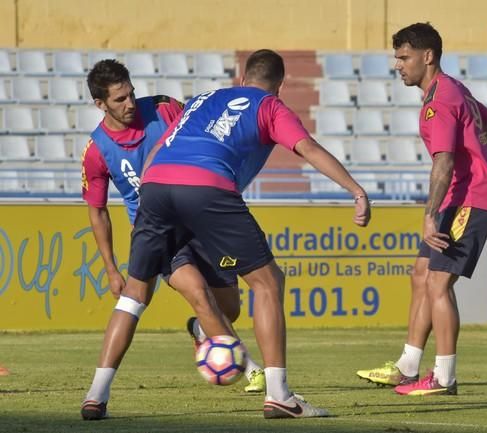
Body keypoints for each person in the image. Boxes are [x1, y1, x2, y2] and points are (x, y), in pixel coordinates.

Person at [80, 49, 371, 420]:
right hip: (206, 189)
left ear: (243, 77)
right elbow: (307, 148)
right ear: (278, 86)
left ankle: (95, 396)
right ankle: (279, 395)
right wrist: (356, 191)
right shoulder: (270, 106)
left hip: (154, 190)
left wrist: (153, 189)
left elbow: (159, 147)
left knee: (138, 296)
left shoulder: (204, 99)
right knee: (268, 283)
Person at [80, 60, 265, 420]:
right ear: (100, 104)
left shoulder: (164, 108)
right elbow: (97, 211)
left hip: (200, 216)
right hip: (158, 229)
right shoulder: (97, 150)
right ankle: (96, 395)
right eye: (119, 99)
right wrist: (110, 268)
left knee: (229, 308)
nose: (130, 103)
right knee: (175, 296)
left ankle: (201, 331)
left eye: (131, 93)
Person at [360, 22, 487, 396]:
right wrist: (478, 158)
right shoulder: (452, 89)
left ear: (428, 57)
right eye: (396, 57)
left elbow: (442, 162)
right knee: (421, 273)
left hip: (471, 200)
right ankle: (408, 365)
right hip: (463, 196)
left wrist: (429, 214)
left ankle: (444, 377)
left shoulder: (440, 100)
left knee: (438, 283)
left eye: (404, 57)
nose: (398, 65)